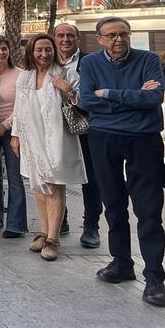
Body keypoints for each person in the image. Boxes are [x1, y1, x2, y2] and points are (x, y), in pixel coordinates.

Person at [78, 15, 165, 307]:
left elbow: (154, 98)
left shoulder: (148, 59)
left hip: (144, 140)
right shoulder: (90, 63)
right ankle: (121, 262)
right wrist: (131, 99)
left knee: (149, 210)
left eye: (124, 34)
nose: (119, 39)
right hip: (103, 138)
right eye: (112, 35)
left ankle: (154, 277)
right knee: (114, 204)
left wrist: (110, 95)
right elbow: (87, 101)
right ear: (100, 39)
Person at [12, 34, 86, 262]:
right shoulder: (25, 76)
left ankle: (54, 239)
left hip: (57, 138)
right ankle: (44, 232)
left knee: (54, 185)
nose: (44, 54)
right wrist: (15, 136)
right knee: (38, 185)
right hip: (31, 137)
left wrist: (67, 90)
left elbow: (83, 103)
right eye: (39, 50)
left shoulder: (66, 74)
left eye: (48, 49)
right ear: (31, 52)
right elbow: (18, 107)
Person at [53, 22, 101, 249]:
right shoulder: (46, 61)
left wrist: (70, 91)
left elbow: (96, 96)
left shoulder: (92, 62)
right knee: (55, 174)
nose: (65, 39)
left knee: (91, 177)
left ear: (77, 39)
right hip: (55, 128)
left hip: (86, 126)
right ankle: (59, 219)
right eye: (61, 35)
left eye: (70, 35)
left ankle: (91, 225)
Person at [0, 36, 27, 238]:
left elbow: (23, 105)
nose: (1, 53)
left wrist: (5, 125)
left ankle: (15, 224)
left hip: (13, 130)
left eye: (4, 48)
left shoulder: (21, 75)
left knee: (14, 176)